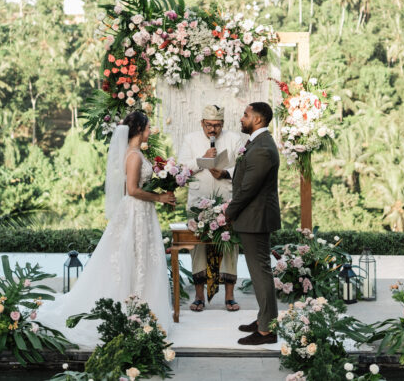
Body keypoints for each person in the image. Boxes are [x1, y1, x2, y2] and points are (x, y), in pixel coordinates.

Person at [36, 111, 176, 345]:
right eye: (148, 128)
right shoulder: (133, 156)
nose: (150, 132)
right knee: (131, 258)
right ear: (139, 129)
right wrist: (159, 198)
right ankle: (130, 309)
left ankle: (142, 308)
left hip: (142, 212)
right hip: (135, 211)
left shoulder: (137, 153)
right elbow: (131, 190)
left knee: (141, 259)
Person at [178, 103, 245, 312]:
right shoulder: (190, 139)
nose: (212, 129)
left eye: (216, 125)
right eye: (208, 125)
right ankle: (199, 297)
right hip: (199, 202)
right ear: (202, 123)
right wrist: (204, 160)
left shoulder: (234, 139)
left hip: (227, 201)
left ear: (223, 124)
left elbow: (243, 168)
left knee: (230, 246)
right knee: (198, 248)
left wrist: (225, 173)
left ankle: (230, 296)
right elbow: (181, 170)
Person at [225, 101, 281, 345]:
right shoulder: (257, 143)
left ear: (258, 120)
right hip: (252, 217)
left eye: (246, 115)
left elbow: (249, 188)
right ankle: (264, 319)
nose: (242, 118)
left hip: (255, 218)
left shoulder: (262, 147)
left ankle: (267, 330)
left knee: (260, 272)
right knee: (259, 271)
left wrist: (229, 212)